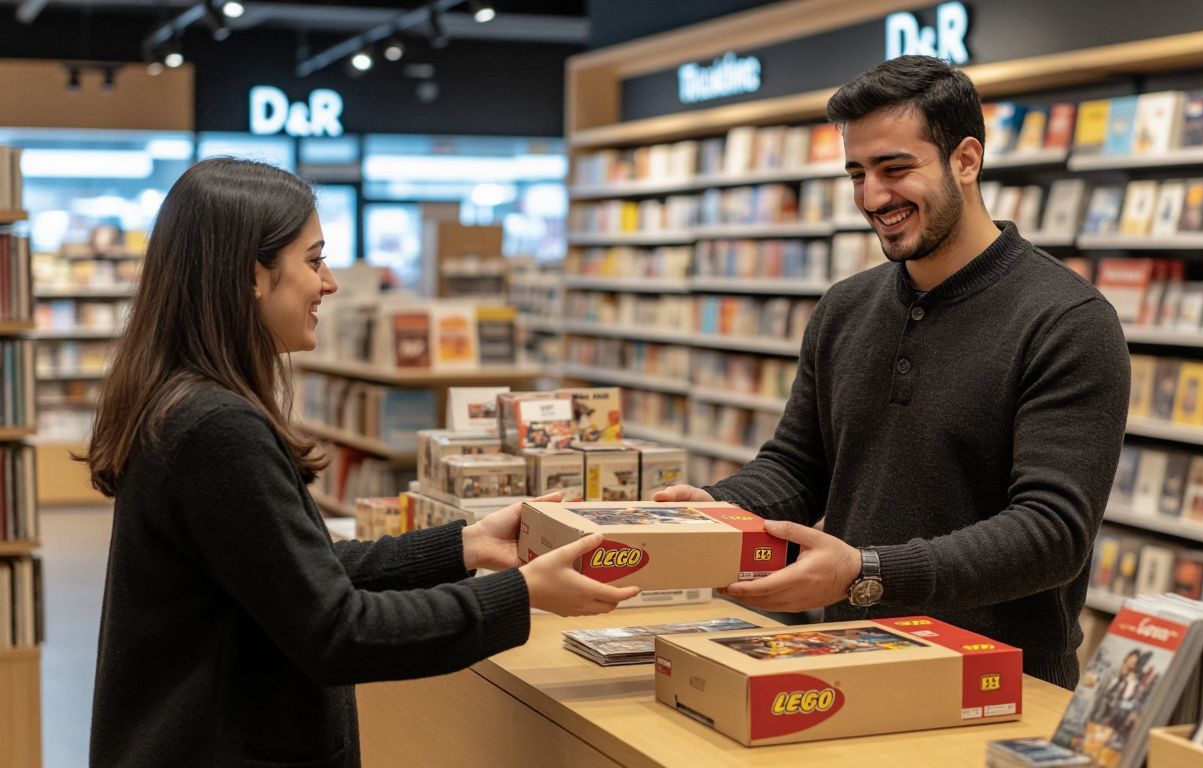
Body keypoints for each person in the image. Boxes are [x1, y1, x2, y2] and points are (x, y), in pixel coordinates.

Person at [83, 158, 639, 767]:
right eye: (314, 259)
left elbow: (296, 570)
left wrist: (467, 545)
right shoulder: (216, 428)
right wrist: (520, 594)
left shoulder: (182, 401)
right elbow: (337, 631)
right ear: (251, 274)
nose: (330, 283)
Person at [655, 56, 1129, 688]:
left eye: (895, 168)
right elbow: (800, 466)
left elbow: (1052, 533)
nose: (873, 197)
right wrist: (714, 508)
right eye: (858, 173)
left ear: (966, 160)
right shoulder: (844, 308)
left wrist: (867, 572)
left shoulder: (1068, 320)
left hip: (995, 684)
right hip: (848, 658)